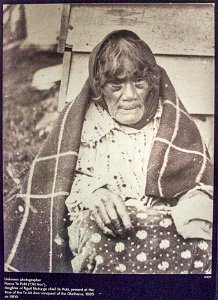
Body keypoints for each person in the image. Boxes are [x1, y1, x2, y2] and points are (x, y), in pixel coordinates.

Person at [5, 30, 213, 274]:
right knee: (95, 237)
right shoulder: (86, 126)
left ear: (153, 84)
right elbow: (58, 182)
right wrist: (94, 192)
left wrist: (193, 201)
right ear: (99, 87)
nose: (130, 96)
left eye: (139, 83)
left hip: (164, 233)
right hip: (105, 232)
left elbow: (199, 182)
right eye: (116, 84)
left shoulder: (171, 123)